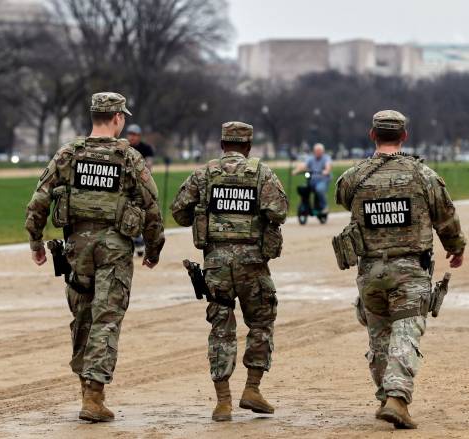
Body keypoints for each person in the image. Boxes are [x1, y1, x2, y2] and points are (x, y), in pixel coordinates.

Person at [25, 92, 165, 423]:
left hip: (77, 247)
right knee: (106, 317)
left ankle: (85, 389)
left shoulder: (68, 153)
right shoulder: (129, 157)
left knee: (83, 316)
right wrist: (154, 248)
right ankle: (94, 394)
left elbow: (39, 200)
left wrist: (35, 241)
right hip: (114, 248)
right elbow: (151, 207)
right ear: (117, 118)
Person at [335, 110, 467, 429]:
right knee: (406, 331)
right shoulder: (423, 175)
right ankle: (396, 398)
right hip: (409, 271)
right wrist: (456, 248)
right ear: (404, 136)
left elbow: (342, 198)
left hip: (370, 274)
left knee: (379, 336)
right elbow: (445, 217)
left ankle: (385, 396)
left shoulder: (353, 177)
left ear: (372, 135)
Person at [171, 121, 288, 422]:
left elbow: (179, 212)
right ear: (248, 147)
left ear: (223, 145)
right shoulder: (262, 174)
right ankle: (252, 389)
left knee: (221, 329)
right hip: (252, 264)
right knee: (261, 323)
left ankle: (223, 402)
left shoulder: (203, 174)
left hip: (216, 265)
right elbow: (279, 212)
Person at [125, 124, 155, 255]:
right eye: (130, 134)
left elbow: (148, 167)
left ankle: (139, 240)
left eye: (134, 134)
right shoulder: (123, 147)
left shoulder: (146, 148)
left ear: (138, 136)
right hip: (127, 186)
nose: (131, 137)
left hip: (141, 186)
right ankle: (133, 241)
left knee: (141, 214)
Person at [294, 143, 333, 213]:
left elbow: (328, 166)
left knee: (319, 189)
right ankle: (304, 204)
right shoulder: (311, 158)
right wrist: (296, 171)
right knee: (303, 189)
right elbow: (304, 165)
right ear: (314, 151)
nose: (317, 152)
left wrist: (326, 171)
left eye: (319, 151)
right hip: (312, 180)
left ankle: (324, 206)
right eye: (316, 151)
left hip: (323, 180)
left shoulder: (326, 158)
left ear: (322, 151)